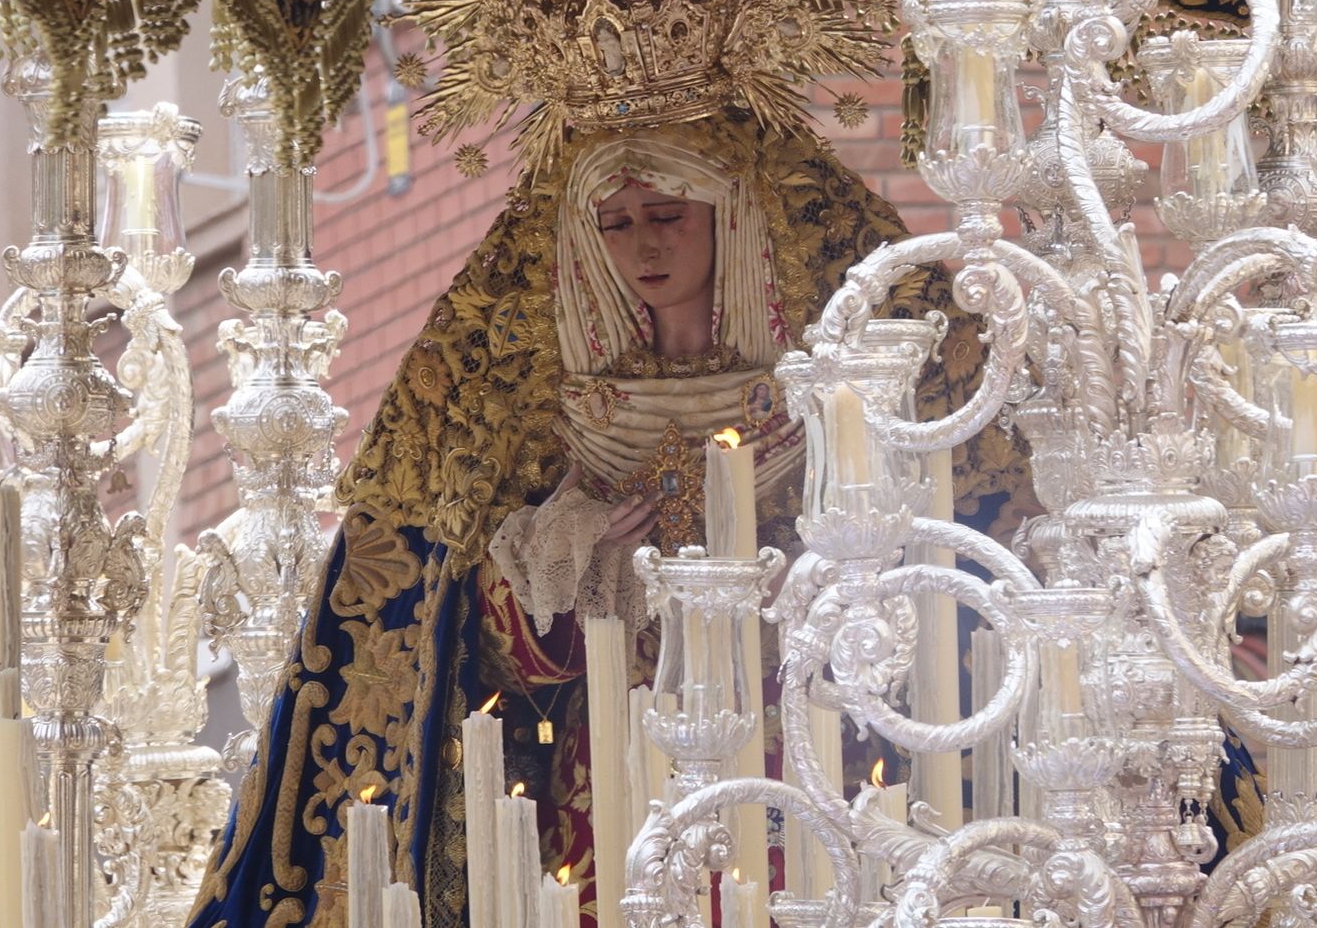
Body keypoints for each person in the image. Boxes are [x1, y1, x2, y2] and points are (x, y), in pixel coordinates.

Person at [186, 111, 1029, 928]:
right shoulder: (553, 419)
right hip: (607, 784)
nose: (644, 246)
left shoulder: (836, 400)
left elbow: (941, 583)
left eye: (668, 215)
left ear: (732, 216)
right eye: (617, 223)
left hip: (804, 768)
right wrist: (561, 573)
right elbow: (472, 649)